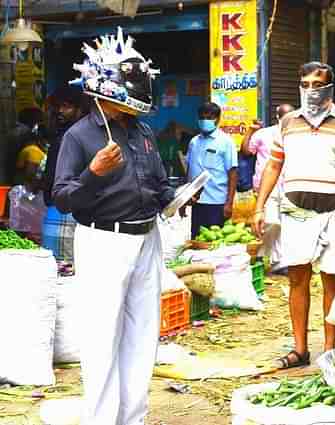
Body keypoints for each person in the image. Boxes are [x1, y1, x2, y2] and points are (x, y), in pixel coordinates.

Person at [52, 28, 177, 425]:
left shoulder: (141, 131)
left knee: (143, 336)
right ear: (107, 89)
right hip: (104, 240)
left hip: (147, 238)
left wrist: (173, 196)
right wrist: (93, 173)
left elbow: (157, 181)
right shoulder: (78, 136)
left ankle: (133, 418)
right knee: (103, 338)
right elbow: (63, 197)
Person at [252, 62, 335, 368]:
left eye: (318, 84)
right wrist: (259, 206)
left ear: (330, 87)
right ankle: (300, 349)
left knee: (332, 281)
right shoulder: (287, 123)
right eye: (305, 84)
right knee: (298, 278)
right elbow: (273, 166)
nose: (311, 90)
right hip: (296, 212)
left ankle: (329, 350)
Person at [241, 103, 295, 272]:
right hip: (266, 186)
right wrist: (250, 131)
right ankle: (256, 251)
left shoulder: (296, 135)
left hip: (289, 185)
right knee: (272, 222)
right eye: (285, 117)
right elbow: (246, 151)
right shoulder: (263, 134)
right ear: (278, 117)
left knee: (284, 225)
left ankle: (278, 262)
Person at [41, 86, 88, 261]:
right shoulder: (63, 135)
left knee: (63, 268)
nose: (60, 111)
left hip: (68, 211)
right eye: (58, 106)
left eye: (66, 106)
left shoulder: (76, 136)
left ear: (79, 109)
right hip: (56, 209)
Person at [185, 102, 238, 239]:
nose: (205, 121)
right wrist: (184, 198)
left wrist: (229, 203)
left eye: (210, 117)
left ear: (218, 119)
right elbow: (189, 170)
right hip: (197, 203)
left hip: (217, 203)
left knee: (217, 242)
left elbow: (232, 173)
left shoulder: (226, 142)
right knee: (197, 240)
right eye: (202, 117)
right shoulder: (194, 142)